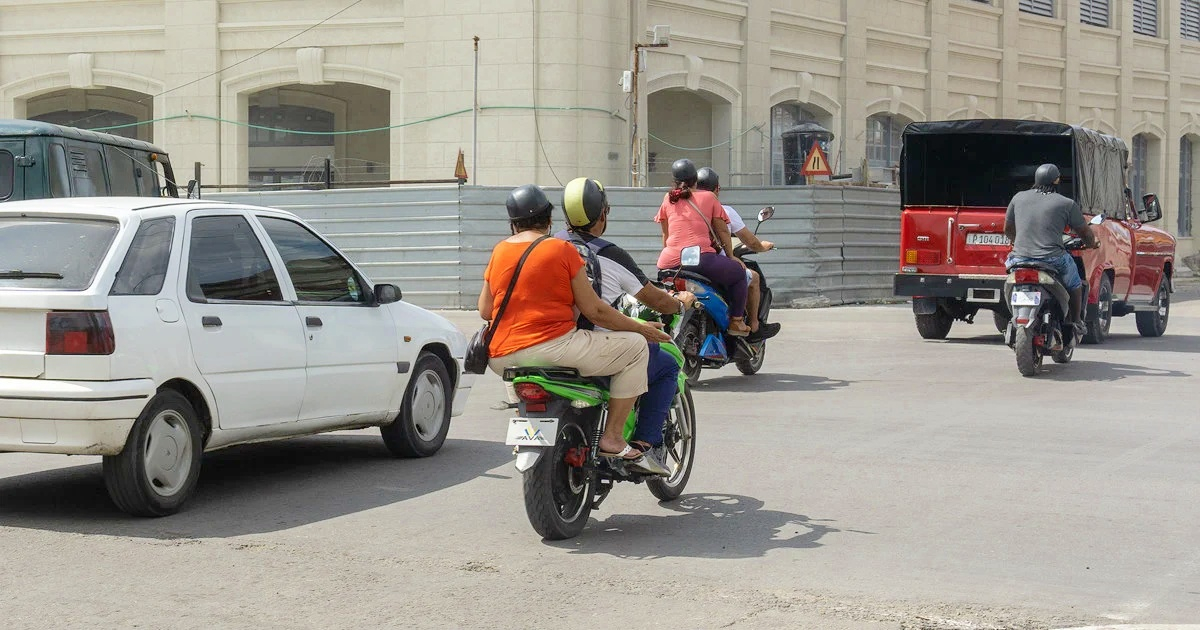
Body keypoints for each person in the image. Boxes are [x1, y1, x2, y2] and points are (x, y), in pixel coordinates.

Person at [480, 184, 671, 463]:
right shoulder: (562, 250)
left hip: (501, 356)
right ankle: (613, 437)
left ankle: (527, 422)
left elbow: (485, 309)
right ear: (549, 220)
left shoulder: (499, 251)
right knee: (637, 347)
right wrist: (641, 329)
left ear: (512, 224)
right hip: (554, 348)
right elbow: (595, 311)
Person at [556, 176, 696, 470]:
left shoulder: (550, 246)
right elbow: (655, 300)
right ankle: (644, 444)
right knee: (666, 365)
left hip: (548, 343)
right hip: (594, 348)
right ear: (603, 213)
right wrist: (679, 302)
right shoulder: (611, 255)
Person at [655, 158, 752, 336]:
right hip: (700, 259)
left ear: (674, 180)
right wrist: (730, 257)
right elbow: (722, 230)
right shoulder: (709, 197)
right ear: (695, 180)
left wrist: (670, 254)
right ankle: (736, 322)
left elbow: (666, 234)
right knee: (738, 274)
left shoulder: (668, 199)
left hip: (668, 263)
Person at [1003, 164, 1099, 338]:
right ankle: (1076, 321)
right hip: (1052, 259)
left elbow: (1008, 228)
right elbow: (1084, 232)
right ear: (1057, 181)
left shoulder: (1018, 198)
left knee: (1009, 280)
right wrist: (1092, 243)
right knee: (1075, 282)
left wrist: (1018, 242)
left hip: (1019, 258)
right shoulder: (1066, 203)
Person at [695, 167, 782, 341]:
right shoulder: (722, 209)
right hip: (710, 261)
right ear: (717, 189)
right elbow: (737, 238)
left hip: (680, 260)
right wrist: (757, 248)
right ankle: (750, 325)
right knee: (747, 275)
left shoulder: (681, 206)